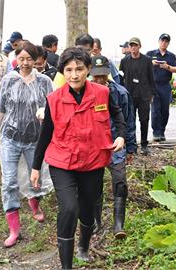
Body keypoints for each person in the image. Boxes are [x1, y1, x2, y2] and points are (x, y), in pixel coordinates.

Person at [30, 47, 125, 269]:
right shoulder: (54, 99)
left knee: (87, 207)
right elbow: (45, 136)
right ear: (63, 72)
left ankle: (83, 245)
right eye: (69, 70)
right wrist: (35, 167)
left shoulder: (102, 93)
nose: (74, 75)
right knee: (69, 208)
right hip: (63, 161)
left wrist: (120, 135)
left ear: (88, 70)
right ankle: (66, 265)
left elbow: (117, 114)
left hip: (93, 160)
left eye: (80, 69)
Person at [0, 41, 53, 248]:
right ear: (16, 59)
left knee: (35, 178)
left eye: (29, 59)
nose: (25, 63)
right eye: (21, 59)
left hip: (35, 139)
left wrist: (46, 113)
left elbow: (54, 107)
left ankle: (35, 207)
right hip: (10, 138)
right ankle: (14, 229)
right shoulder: (7, 81)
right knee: (9, 182)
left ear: (36, 60)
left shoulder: (44, 82)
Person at [90, 55, 136, 239]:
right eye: (96, 76)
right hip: (94, 146)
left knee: (120, 181)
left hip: (116, 145)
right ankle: (95, 221)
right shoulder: (85, 92)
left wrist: (130, 147)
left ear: (108, 73)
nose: (99, 79)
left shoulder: (121, 93)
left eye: (102, 75)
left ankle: (119, 224)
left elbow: (129, 120)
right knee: (93, 184)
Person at [120, 37, 155, 155]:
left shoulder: (146, 60)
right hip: (130, 95)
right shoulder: (125, 61)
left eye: (135, 45)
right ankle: (132, 145)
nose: (133, 48)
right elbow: (121, 77)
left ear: (140, 46)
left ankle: (144, 144)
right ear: (129, 47)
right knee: (130, 121)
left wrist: (152, 94)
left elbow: (151, 77)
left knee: (144, 120)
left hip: (144, 95)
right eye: (131, 45)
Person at [146, 33, 176, 142]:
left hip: (165, 85)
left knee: (165, 110)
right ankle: (156, 133)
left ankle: (162, 131)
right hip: (153, 85)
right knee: (155, 110)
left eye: (166, 41)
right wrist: (151, 63)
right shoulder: (150, 54)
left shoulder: (171, 56)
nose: (164, 43)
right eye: (162, 40)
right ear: (159, 41)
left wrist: (167, 67)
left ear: (168, 43)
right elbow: (143, 64)